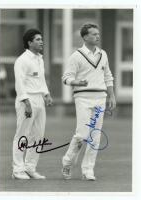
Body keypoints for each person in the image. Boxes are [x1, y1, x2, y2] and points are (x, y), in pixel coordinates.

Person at [62, 23, 116, 180]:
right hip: (83, 98)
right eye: (93, 34)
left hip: (100, 98)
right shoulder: (76, 56)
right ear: (85, 37)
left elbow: (108, 76)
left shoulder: (103, 54)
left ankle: (88, 170)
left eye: (98, 34)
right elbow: (66, 78)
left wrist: (112, 96)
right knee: (81, 135)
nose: (97, 36)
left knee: (95, 135)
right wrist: (77, 83)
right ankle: (67, 162)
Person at [12, 29, 53, 179]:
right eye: (37, 39)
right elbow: (19, 83)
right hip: (26, 100)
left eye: (41, 39)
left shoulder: (39, 59)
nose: (41, 41)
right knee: (22, 135)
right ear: (29, 43)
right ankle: (18, 170)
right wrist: (26, 103)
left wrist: (46, 94)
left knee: (37, 136)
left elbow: (40, 80)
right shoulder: (22, 60)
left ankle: (30, 168)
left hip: (39, 101)